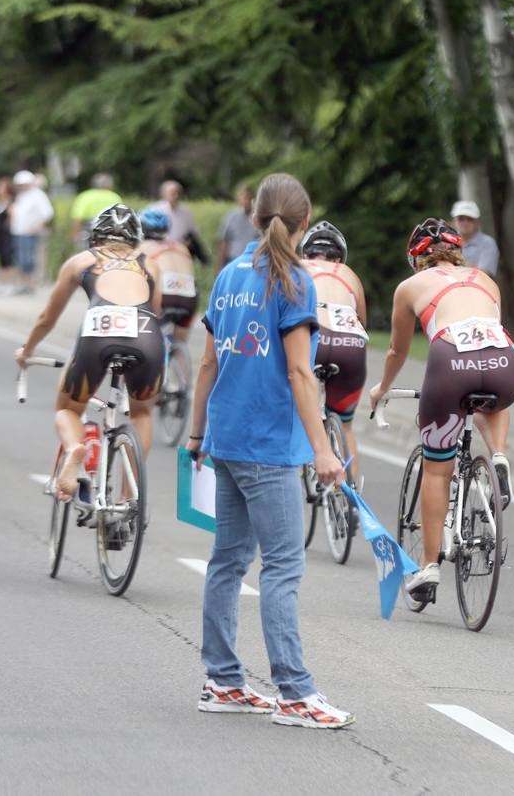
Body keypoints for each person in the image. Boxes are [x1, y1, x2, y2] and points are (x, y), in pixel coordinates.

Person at [188, 172, 354, 728]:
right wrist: (323, 449)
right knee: (282, 566)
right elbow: (302, 373)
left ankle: (223, 681)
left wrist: (195, 435)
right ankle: (295, 692)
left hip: (226, 438)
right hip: (267, 445)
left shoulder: (229, 275)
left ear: (255, 216)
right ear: (304, 222)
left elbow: (208, 362)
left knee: (228, 561)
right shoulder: (295, 281)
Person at [368, 218, 514, 600]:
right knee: (491, 394)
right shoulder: (486, 280)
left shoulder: (410, 287)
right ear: (457, 252)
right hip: (506, 365)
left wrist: (382, 388)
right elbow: (488, 338)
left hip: (450, 361)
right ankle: (498, 455)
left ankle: (429, 566)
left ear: (416, 258)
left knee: (438, 471)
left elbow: (397, 351)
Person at [15, 205, 164, 499]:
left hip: (98, 335)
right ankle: (127, 499)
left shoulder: (81, 261)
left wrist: (27, 350)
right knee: (143, 413)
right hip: (146, 335)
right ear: (136, 239)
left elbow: (48, 318)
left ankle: (75, 449)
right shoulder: (152, 264)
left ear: (94, 237)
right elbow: (156, 313)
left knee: (68, 409)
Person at [300, 220, 368, 483]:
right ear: (340, 257)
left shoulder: (296, 268)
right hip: (351, 346)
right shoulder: (350, 275)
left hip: (313, 339)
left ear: (306, 254)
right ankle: (348, 491)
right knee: (346, 423)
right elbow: (363, 322)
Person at [138, 207, 198, 345]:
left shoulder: (143, 246)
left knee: (147, 338)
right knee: (180, 342)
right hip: (189, 298)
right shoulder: (181, 246)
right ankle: (180, 357)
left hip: (165, 296)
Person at [9, 170, 53, 294]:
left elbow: (47, 213)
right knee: (21, 259)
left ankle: (31, 284)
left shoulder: (37, 194)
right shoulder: (22, 195)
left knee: (28, 259)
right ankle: (24, 284)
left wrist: (36, 226)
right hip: (19, 232)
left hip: (29, 233)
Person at [148, 179, 209, 264]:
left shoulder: (186, 213)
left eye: (178, 193)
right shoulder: (153, 211)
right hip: (158, 255)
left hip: (179, 254)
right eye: (172, 193)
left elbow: (193, 234)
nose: (176, 196)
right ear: (164, 194)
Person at [69, 173, 121, 246]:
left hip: (88, 233)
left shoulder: (85, 196)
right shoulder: (115, 197)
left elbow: (77, 218)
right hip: (108, 233)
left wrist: (74, 234)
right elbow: (120, 217)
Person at [451, 200, 499, 276]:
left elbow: (483, 274)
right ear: (454, 221)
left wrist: (455, 265)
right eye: (461, 219)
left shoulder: (487, 243)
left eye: (470, 219)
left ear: (477, 222)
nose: (465, 222)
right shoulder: (447, 242)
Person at [217, 184, 257, 269]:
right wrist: (220, 266)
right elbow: (224, 242)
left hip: (253, 262)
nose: (245, 201)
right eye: (243, 198)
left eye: (247, 198)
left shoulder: (258, 218)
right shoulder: (231, 217)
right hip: (233, 260)